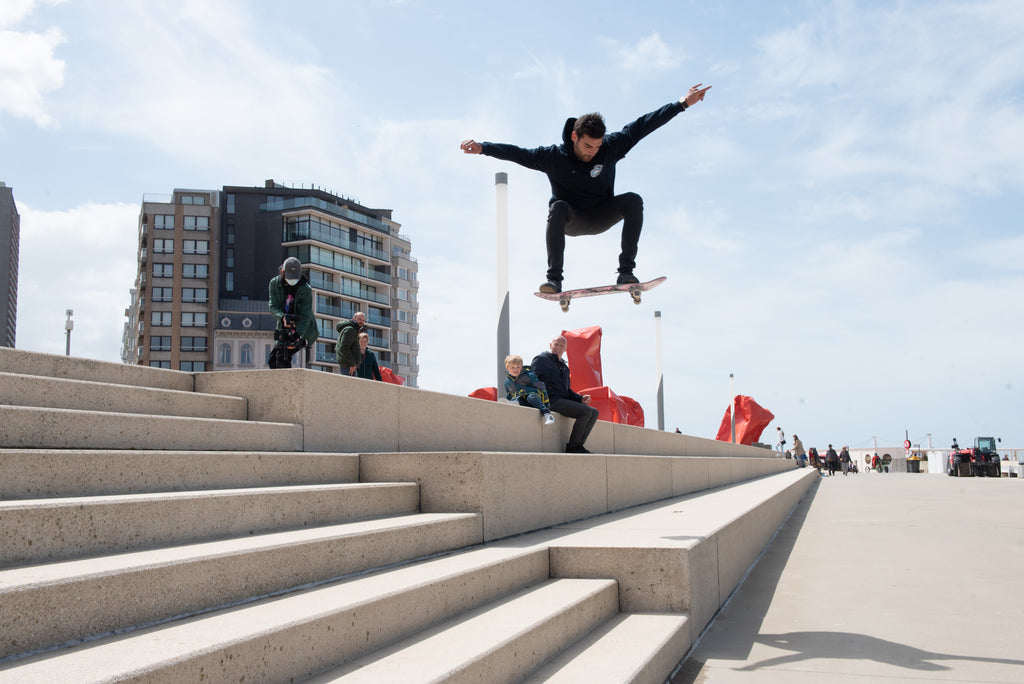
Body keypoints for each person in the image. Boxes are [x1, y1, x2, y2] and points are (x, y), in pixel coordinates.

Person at [461, 84, 711, 293]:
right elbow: (518, 153)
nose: (593, 152)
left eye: (597, 147)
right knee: (557, 207)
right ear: (574, 137)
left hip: (602, 215)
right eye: (588, 146)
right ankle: (554, 279)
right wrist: (484, 147)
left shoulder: (610, 147)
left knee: (633, 200)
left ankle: (626, 272)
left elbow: (643, 125)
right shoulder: (552, 156)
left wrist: (682, 104)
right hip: (573, 220)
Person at [532, 335, 600, 453]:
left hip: (561, 399)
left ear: (565, 349)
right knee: (586, 411)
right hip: (549, 399)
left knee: (594, 412)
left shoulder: (564, 367)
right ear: (550, 345)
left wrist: (580, 398)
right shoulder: (541, 359)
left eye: (561, 345)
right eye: (556, 344)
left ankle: (579, 445)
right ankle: (572, 447)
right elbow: (533, 380)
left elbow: (566, 390)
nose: (558, 347)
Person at [267, 257, 318, 368]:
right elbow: (273, 306)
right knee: (273, 360)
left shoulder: (305, 289)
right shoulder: (274, 284)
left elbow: (306, 315)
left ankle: (287, 384)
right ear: (282, 272)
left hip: (302, 328)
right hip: (284, 326)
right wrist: (282, 317)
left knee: (282, 357)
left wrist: (298, 336)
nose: (292, 281)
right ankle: (283, 383)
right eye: (289, 277)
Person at [504, 354, 555, 426]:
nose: (516, 369)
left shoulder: (528, 375)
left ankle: (547, 415)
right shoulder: (507, 382)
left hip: (533, 398)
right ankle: (512, 403)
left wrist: (546, 404)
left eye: (518, 367)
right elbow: (509, 395)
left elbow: (541, 387)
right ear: (507, 368)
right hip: (522, 401)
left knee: (531, 397)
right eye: (513, 367)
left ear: (521, 367)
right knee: (516, 400)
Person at [335, 312, 366, 376]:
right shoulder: (350, 330)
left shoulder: (353, 329)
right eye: (359, 319)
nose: (362, 322)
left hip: (348, 366)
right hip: (348, 367)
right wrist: (352, 363)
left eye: (363, 320)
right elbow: (344, 347)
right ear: (353, 318)